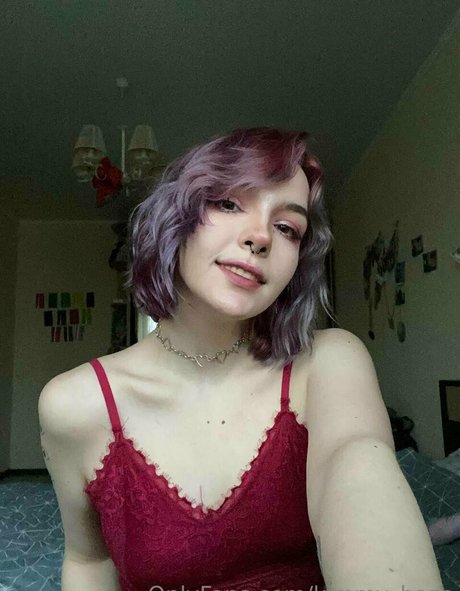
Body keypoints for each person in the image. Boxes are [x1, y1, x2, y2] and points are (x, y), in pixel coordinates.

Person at [38, 127, 443, 591]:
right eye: (229, 203)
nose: (260, 237)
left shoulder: (329, 363)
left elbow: (358, 467)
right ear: (176, 217)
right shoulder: (73, 405)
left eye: (287, 228)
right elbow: (88, 561)